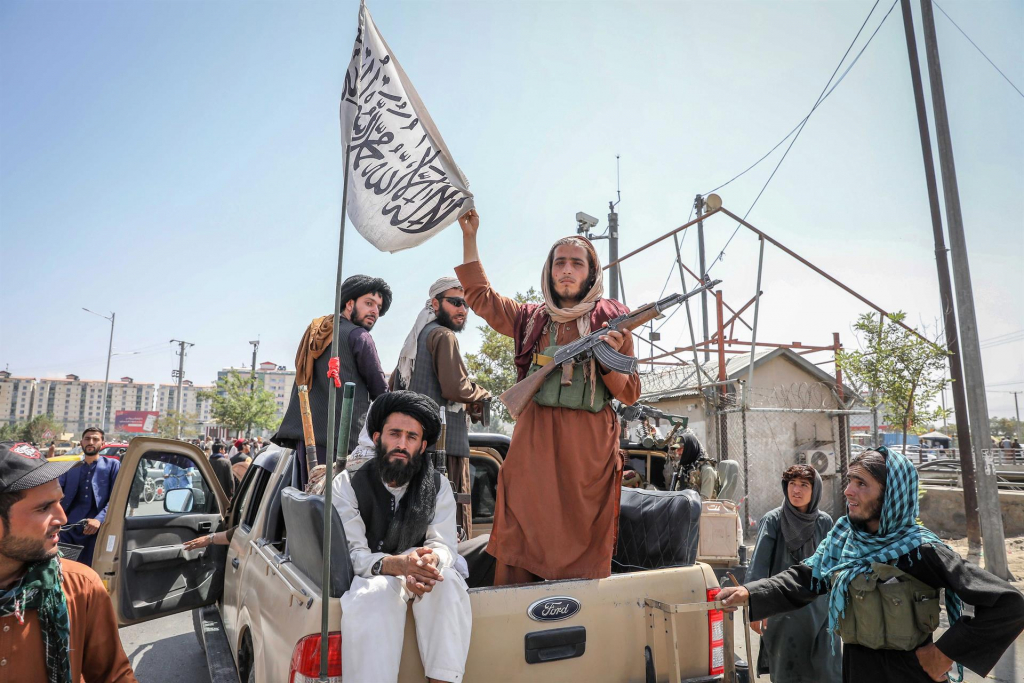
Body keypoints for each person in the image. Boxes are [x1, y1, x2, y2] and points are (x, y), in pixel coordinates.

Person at [718, 447, 1024, 683]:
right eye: (850, 481)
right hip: (855, 670)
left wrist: (943, 654)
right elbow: (807, 578)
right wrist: (750, 593)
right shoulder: (846, 541)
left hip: (908, 675)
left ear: (890, 494)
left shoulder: (920, 550)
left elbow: (1009, 605)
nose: (848, 491)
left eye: (861, 483)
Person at [456, 209, 641, 584]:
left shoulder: (612, 319)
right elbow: (480, 296)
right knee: (521, 526)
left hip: (588, 447)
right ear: (550, 270)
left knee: (584, 537)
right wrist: (470, 235)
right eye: (560, 263)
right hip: (535, 439)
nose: (567, 270)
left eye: (577, 263)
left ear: (591, 273)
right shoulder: (530, 318)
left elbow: (631, 394)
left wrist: (609, 356)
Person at [332, 391, 471, 683]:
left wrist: (430, 560)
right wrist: (399, 565)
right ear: (378, 437)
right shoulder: (347, 483)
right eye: (395, 434)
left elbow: (444, 544)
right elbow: (353, 554)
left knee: (447, 586)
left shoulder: (438, 485)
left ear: (422, 446)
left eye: (411, 437)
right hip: (373, 574)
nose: (401, 444)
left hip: (420, 572)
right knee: (374, 596)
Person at [0, 441, 137, 682]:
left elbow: (114, 675)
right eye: (43, 508)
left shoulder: (80, 586)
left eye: (58, 502)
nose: (62, 517)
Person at [391, 276, 491, 539]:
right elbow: (456, 389)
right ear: (435, 303)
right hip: (446, 450)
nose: (462, 310)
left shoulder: (419, 336)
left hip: (418, 448)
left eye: (466, 304)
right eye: (455, 302)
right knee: (453, 527)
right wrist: (482, 393)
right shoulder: (443, 335)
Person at [273, 275, 392, 481]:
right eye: (369, 303)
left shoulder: (319, 331)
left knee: (308, 502)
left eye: (378, 307)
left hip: (308, 438)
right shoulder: (359, 336)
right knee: (335, 507)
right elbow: (381, 392)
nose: (375, 311)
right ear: (349, 303)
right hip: (341, 445)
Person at [746, 465, 841, 683]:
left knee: (827, 670)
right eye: (792, 484)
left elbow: (833, 565)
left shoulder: (824, 521)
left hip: (821, 609)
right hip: (783, 609)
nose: (796, 490)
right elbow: (759, 564)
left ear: (815, 489)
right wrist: (757, 604)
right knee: (789, 672)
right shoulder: (773, 520)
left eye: (804, 485)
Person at [57, 427, 120, 567]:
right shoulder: (70, 466)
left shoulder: (112, 465)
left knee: (90, 569)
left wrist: (99, 520)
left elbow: (116, 499)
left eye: (95, 439)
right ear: (81, 442)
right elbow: (57, 496)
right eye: (87, 439)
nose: (90, 442)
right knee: (64, 568)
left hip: (97, 530)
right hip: (68, 529)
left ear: (102, 444)